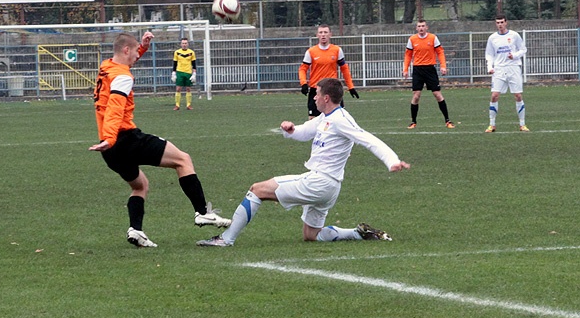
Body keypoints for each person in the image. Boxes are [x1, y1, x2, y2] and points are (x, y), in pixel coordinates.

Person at [198, 77, 409, 247]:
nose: (314, 97)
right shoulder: (324, 117)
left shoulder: (341, 119)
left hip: (319, 182)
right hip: (328, 188)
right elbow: (303, 132)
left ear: (326, 98)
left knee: (257, 189)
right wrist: (290, 130)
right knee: (311, 235)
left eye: (316, 93)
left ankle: (226, 239)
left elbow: (368, 139)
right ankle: (357, 234)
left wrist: (392, 160)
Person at [90, 31, 230, 248]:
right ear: (126, 50)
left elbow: (123, 71)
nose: (138, 54)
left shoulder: (106, 66)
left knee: (140, 186)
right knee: (183, 159)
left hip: (110, 151)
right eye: (136, 50)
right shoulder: (124, 77)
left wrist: (143, 46)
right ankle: (203, 213)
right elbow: (115, 108)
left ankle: (136, 230)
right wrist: (110, 137)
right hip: (124, 139)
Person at [299, 24, 358, 119]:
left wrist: (351, 87)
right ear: (317, 35)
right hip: (316, 89)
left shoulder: (337, 50)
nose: (323, 35)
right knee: (313, 120)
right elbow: (303, 69)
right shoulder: (311, 52)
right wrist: (303, 83)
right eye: (321, 32)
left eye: (325, 32)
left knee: (338, 118)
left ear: (330, 34)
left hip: (332, 89)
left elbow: (344, 68)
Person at [403, 20, 454, 129]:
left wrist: (443, 66)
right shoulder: (412, 39)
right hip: (418, 70)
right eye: (419, 26)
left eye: (423, 26)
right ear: (416, 28)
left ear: (426, 27)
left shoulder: (433, 38)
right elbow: (408, 55)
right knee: (416, 96)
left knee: (437, 95)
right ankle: (413, 122)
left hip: (430, 69)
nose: (421, 28)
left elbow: (440, 52)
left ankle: (447, 120)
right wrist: (405, 69)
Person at [485, 16, 528, 132]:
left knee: (518, 96)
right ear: (496, 24)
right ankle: (492, 124)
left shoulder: (514, 35)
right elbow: (489, 54)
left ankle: (522, 124)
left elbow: (523, 49)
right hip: (499, 69)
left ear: (506, 23)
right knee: (494, 95)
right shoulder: (492, 38)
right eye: (498, 22)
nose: (500, 25)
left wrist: (514, 56)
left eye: (502, 22)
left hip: (513, 68)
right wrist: (490, 67)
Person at [171, 37, 196, 110]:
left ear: (187, 44)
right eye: (183, 43)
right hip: (179, 72)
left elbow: (194, 63)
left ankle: (188, 105)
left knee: (188, 88)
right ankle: (177, 105)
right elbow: (175, 63)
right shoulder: (177, 52)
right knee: (178, 89)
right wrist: (173, 73)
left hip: (188, 72)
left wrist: (194, 73)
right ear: (180, 44)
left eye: (185, 43)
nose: (184, 45)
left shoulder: (191, 52)